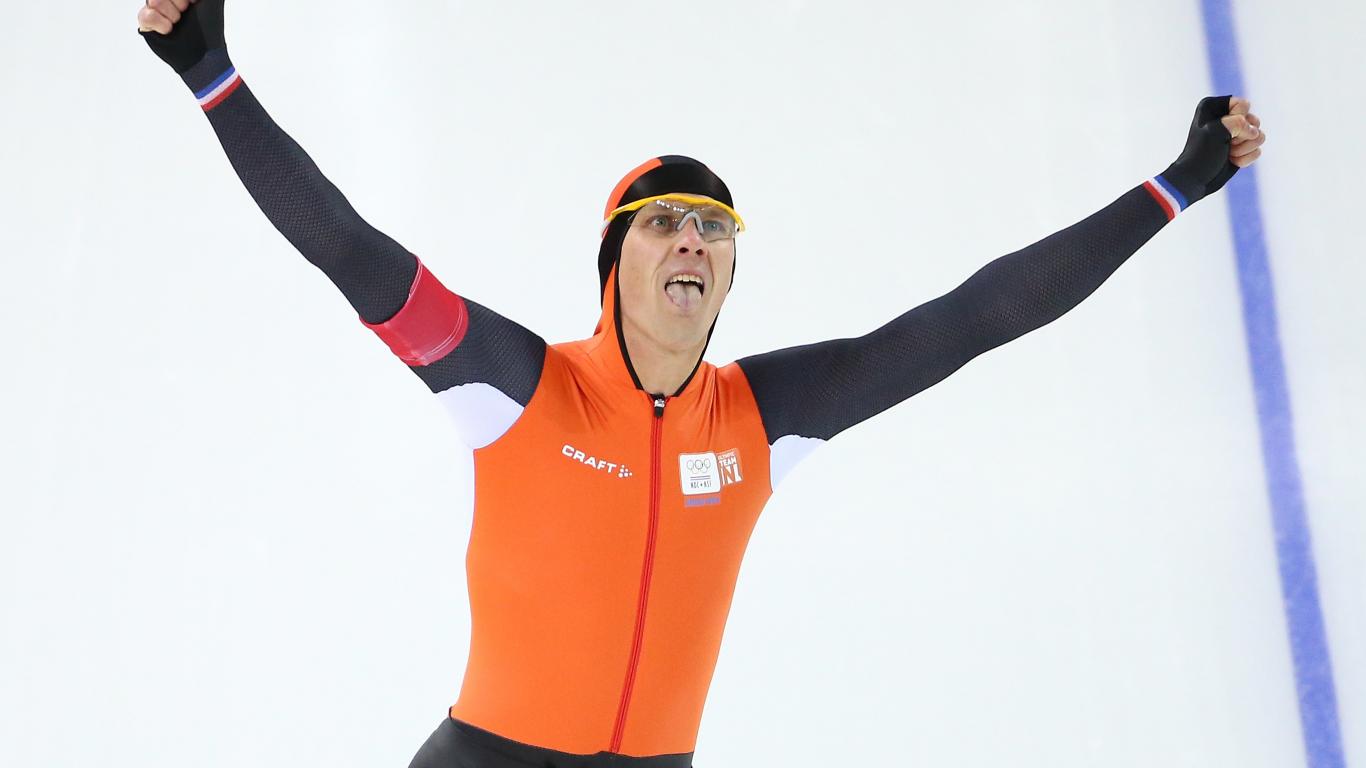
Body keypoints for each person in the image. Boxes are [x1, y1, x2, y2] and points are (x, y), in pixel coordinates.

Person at [137, 1, 1266, 766]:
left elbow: (976, 317)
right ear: (614, 259)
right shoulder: (513, 386)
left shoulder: (765, 418)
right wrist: (211, 76)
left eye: (713, 228)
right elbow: (346, 247)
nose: (691, 240)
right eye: (663, 222)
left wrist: (1177, 185)